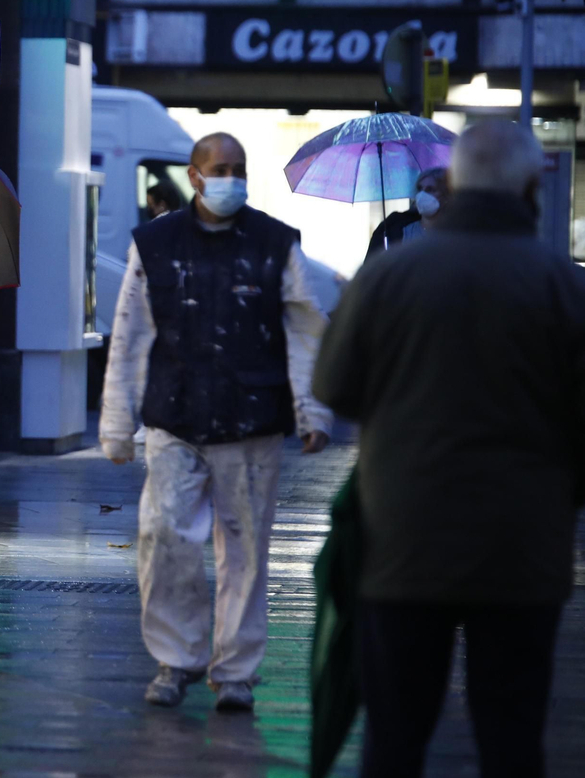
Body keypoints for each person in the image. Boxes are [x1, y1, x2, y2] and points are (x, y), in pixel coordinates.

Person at [313, 120, 585, 778]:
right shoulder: (565, 285)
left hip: (403, 544)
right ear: (530, 187)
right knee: (512, 737)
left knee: (397, 738)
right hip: (524, 550)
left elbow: (337, 390)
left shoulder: (389, 276)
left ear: (454, 183)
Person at [98, 132, 333, 712]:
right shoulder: (154, 244)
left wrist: (313, 409)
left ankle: (235, 673)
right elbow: (129, 335)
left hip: (251, 420)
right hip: (174, 418)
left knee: (246, 553)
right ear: (195, 175)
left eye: (239, 167)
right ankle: (176, 659)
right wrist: (116, 423)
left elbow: (306, 329)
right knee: (164, 539)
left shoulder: (275, 243)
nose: (232, 176)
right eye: (220, 167)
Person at [365, 166, 447, 257]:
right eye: (420, 189)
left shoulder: (458, 234)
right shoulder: (396, 231)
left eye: (430, 189)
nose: (422, 194)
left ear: (446, 195)